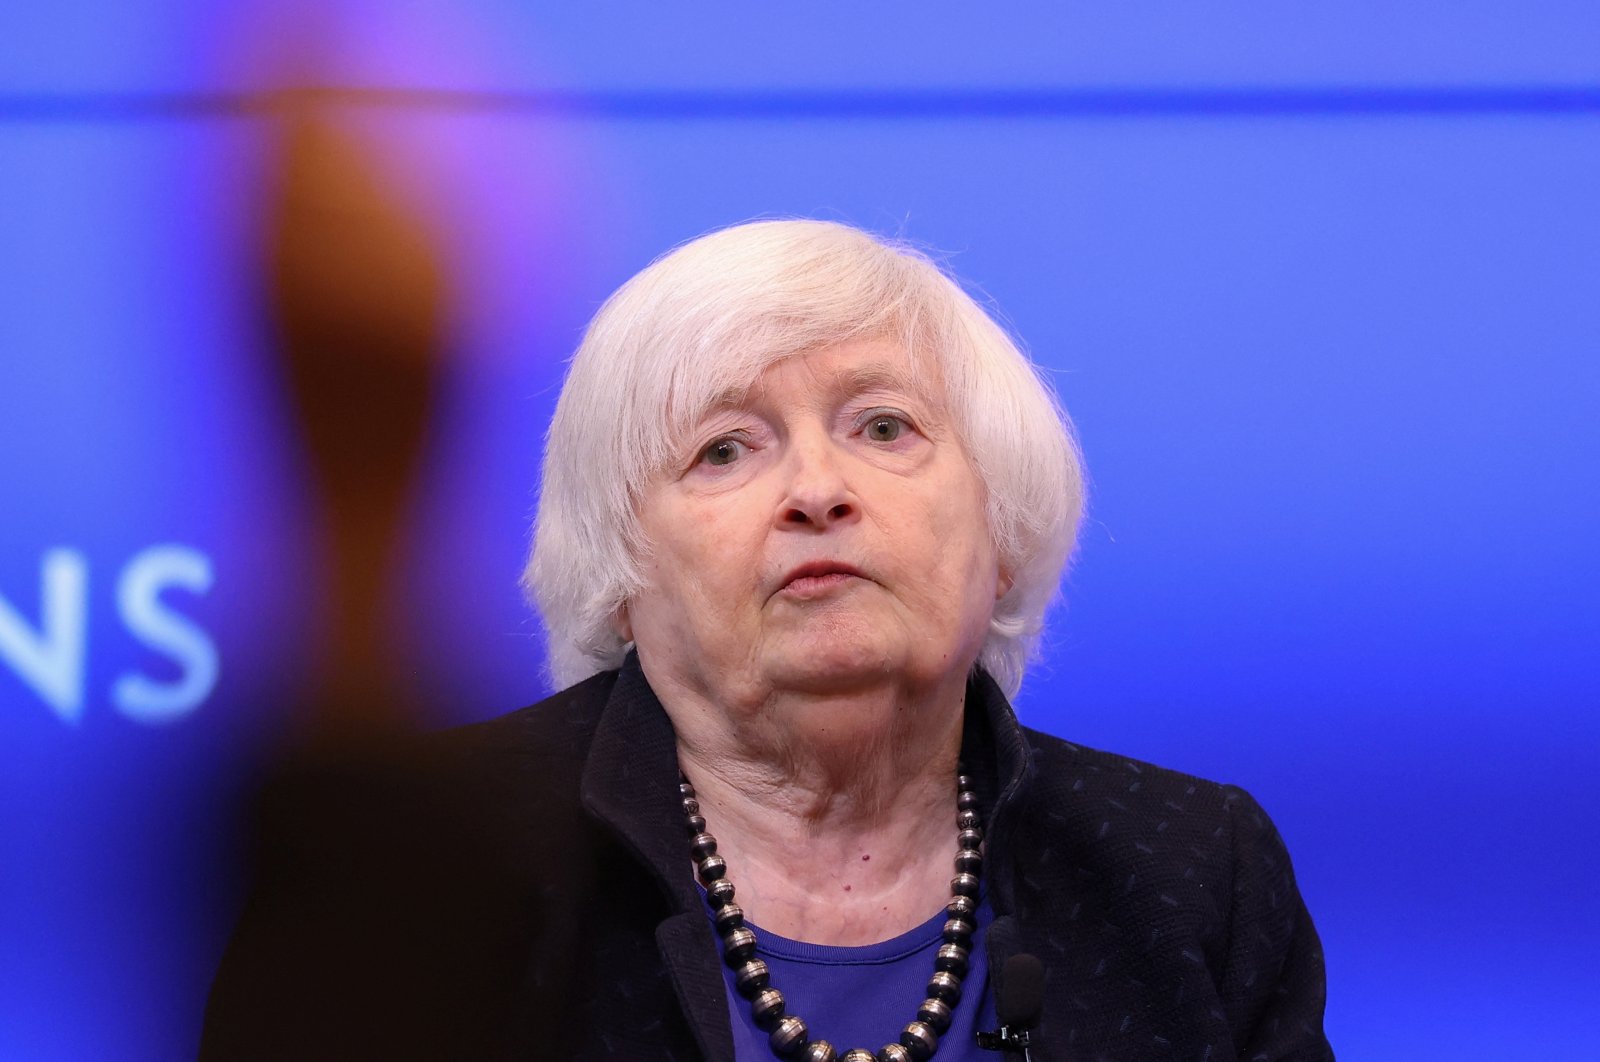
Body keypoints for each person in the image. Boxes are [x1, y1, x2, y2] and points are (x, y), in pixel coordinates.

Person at [203, 220, 1331, 1061]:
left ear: (1002, 534)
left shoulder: (1185, 870)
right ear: (619, 579)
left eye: (883, 427)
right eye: (726, 450)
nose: (815, 491)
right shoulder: (420, 871)